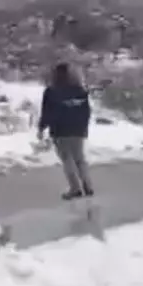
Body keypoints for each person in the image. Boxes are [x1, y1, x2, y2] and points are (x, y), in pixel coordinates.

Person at [37, 62, 94, 200]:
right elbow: (87, 111)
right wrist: (84, 127)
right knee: (80, 158)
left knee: (67, 159)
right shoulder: (80, 91)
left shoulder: (51, 92)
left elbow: (47, 112)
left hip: (60, 130)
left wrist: (41, 127)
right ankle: (88, 185)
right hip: (78, 129)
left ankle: (75, 188)